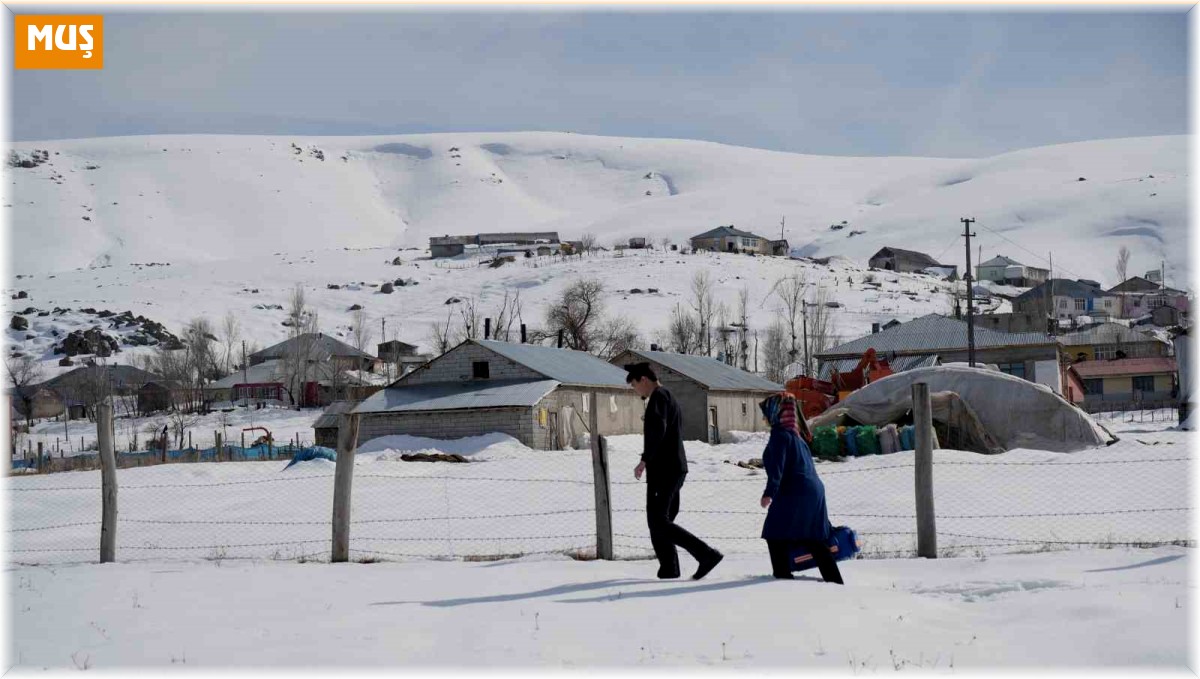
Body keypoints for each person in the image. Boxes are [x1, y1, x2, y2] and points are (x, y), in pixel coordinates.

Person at [626, 362, 723, 580]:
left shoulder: (659, 398)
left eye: (634, 385)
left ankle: (706, 554)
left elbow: (658, 430)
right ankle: (669, 568)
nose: (635, 390)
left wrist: (645, 459)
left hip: (665, 469)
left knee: (659, 521)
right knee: (659, 521)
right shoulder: (666, 396)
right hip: (671, 468)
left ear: (643, 379)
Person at [758, 393, 843, 584]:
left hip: (796, 492)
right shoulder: (796, 435)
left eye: (765, 413)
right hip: (811, 491)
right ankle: (835, 582)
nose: (764, 418)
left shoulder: (780, 435)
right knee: (812, 536)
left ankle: (783, 578)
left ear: (775, 413)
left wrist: (769, 493)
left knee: (775, 532)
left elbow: (777, 468)